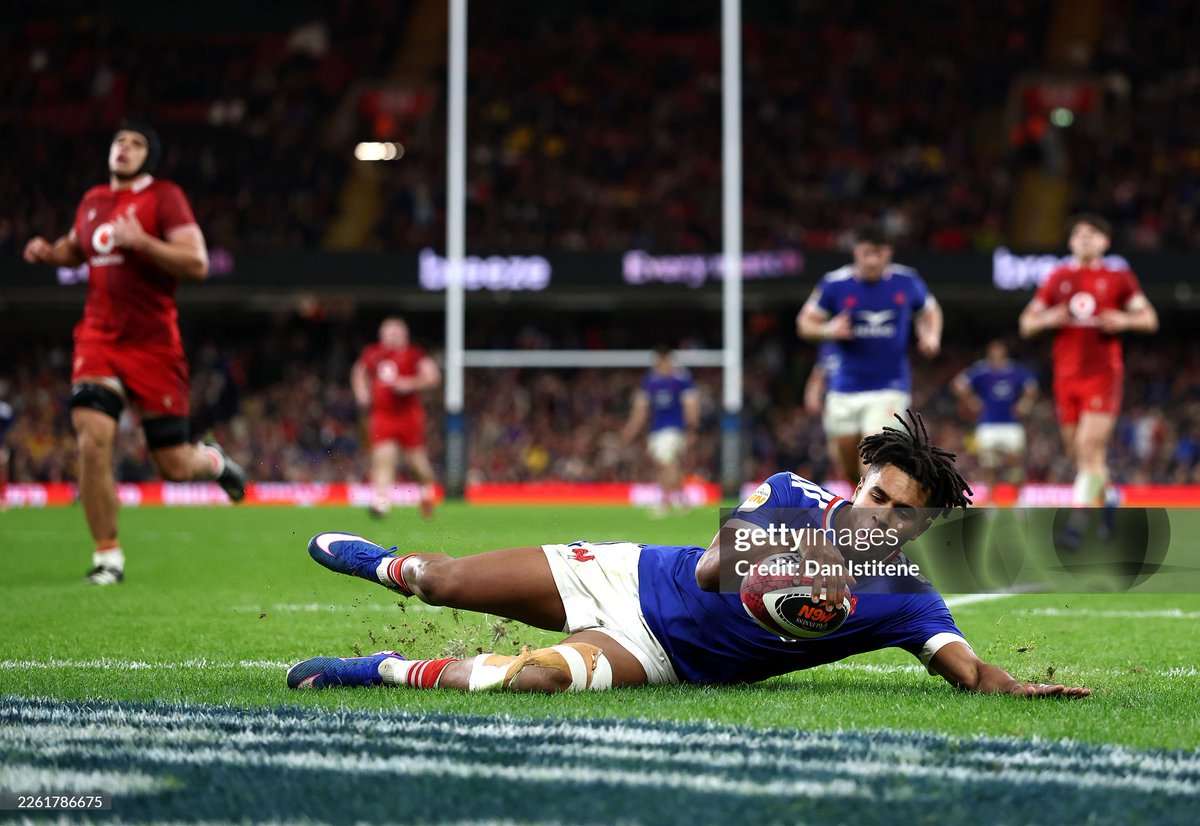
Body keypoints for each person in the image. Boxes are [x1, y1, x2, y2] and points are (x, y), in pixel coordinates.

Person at [286, 411, 1089, 699]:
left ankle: (382, 670)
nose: (878, 517)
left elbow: (969, 669)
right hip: (627, 573)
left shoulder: (909, 598)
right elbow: (710, 570)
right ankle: (388, 564)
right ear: (858, 481)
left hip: (659, 655)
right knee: (443, 581)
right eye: (875, 495)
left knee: (532, 678)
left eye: (898, 516)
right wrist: (789, 559)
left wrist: (1012, 688)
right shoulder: (788, 493)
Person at [21, 121, 246, 585]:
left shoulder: (164, 196)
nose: (124, 148)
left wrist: (141, 241)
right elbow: (74, 248)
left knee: (175, 466)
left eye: (137, 143)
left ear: (150, 155)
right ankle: (108, 557)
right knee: (92, 436)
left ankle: (215, 462)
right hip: (98, 338)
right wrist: (50, 252)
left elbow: (198, 263)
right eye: (119, 140)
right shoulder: (92, 201)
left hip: (154, 346)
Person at [1018, 214, 1158, 538]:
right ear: (1070, 242)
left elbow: (1149, 318)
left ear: (1104, 242)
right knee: (1080, 453)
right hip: (1066, 377)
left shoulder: (1118, 277)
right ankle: (1109, 498)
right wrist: (1048, 316)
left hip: (1102, 376)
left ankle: (1078, 523)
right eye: (1078, 234)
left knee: (1087, 445)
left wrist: (1125, 321)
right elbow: (1026, 323)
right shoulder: (1057, 278)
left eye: (1092, 233)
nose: (1084, 238)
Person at [797, 225, 943, 484]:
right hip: (844, 387)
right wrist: (828, 329)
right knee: (847, 463)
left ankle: (870, 520)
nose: (872, 260)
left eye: (878, 253)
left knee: (872, 454)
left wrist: (931, 335)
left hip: (890, 385)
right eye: (866, 253)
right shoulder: (835, 284)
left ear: (889, 253)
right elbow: (805, 323)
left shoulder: (907, 281)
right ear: (856, 252)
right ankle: (861, 500)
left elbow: (930, 311)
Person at [351, 317, 441, 519]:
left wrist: (410, 383)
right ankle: (381, 502)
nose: (392, 337)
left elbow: (433, 376)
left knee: (418, 463)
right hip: (383, 415)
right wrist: (362, 393)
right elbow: (359, 372)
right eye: (388, 333)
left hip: (409, 416)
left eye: (396, 333)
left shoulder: (414, 354)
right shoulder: (373, 353)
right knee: (384, 458)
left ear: (405, 336)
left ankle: (426, 494)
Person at [951, 340, 1039, 497]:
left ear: (1004, 353)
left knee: (1015, 463)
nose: (997, 355)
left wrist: (1025, 404)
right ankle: (991, 499)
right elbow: (958, 384)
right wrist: (971, 401)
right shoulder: (982, 370)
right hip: (988, 424)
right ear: (989, 354)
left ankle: (1017, 499)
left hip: (1011, 424)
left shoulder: (1014, 370)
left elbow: (1032, 386)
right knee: (988, 465)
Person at [620, 346, 700, 515]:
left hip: (674, 429)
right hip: (657, 430)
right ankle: (682, 500)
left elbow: (690, 405)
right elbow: (641, 408)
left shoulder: (680, 380)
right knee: (665, 464)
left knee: (666, 463)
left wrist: (692, 428)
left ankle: (665, 502)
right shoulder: (650, 381)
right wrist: (631, 428)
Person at [0, 398, 12, 513]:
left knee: (2, 471)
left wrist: (5, 445)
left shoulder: (4, 409)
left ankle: (3, 498)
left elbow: (9, 429)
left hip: (0, 445)